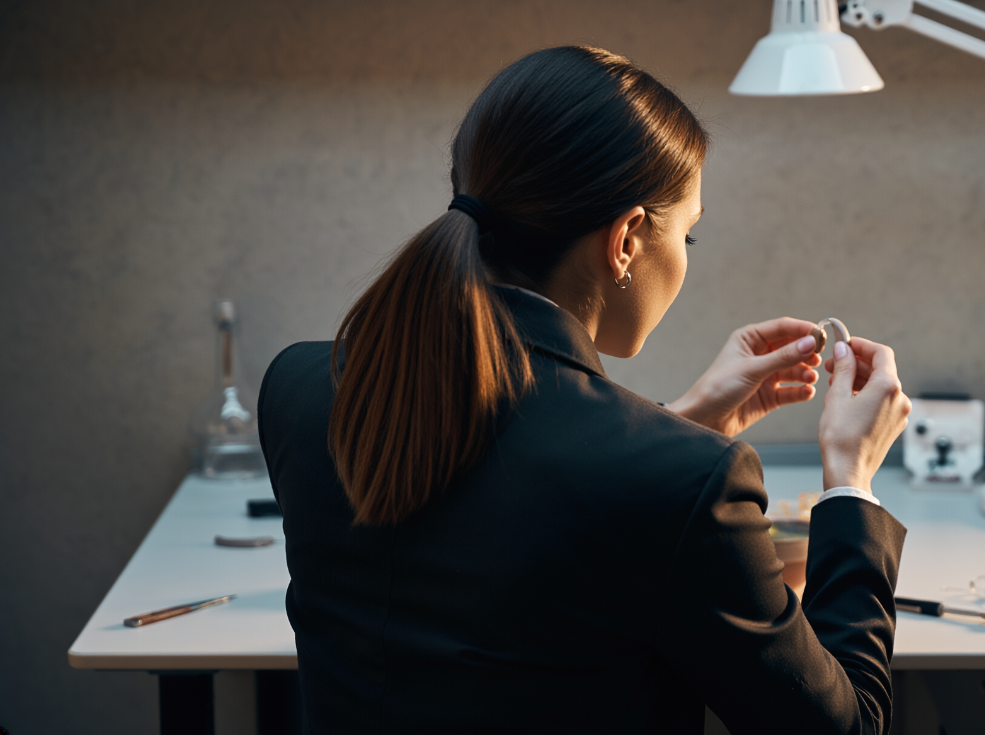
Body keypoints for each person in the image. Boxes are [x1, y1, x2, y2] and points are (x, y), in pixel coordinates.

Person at [259, 45, 911, 735]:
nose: (685, 257)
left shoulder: (298, 389)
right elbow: (845, 728)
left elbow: (507, 510)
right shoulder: (685, 482)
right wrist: (850, 480)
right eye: (689, 234)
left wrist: (686, 423)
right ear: (628, 239)